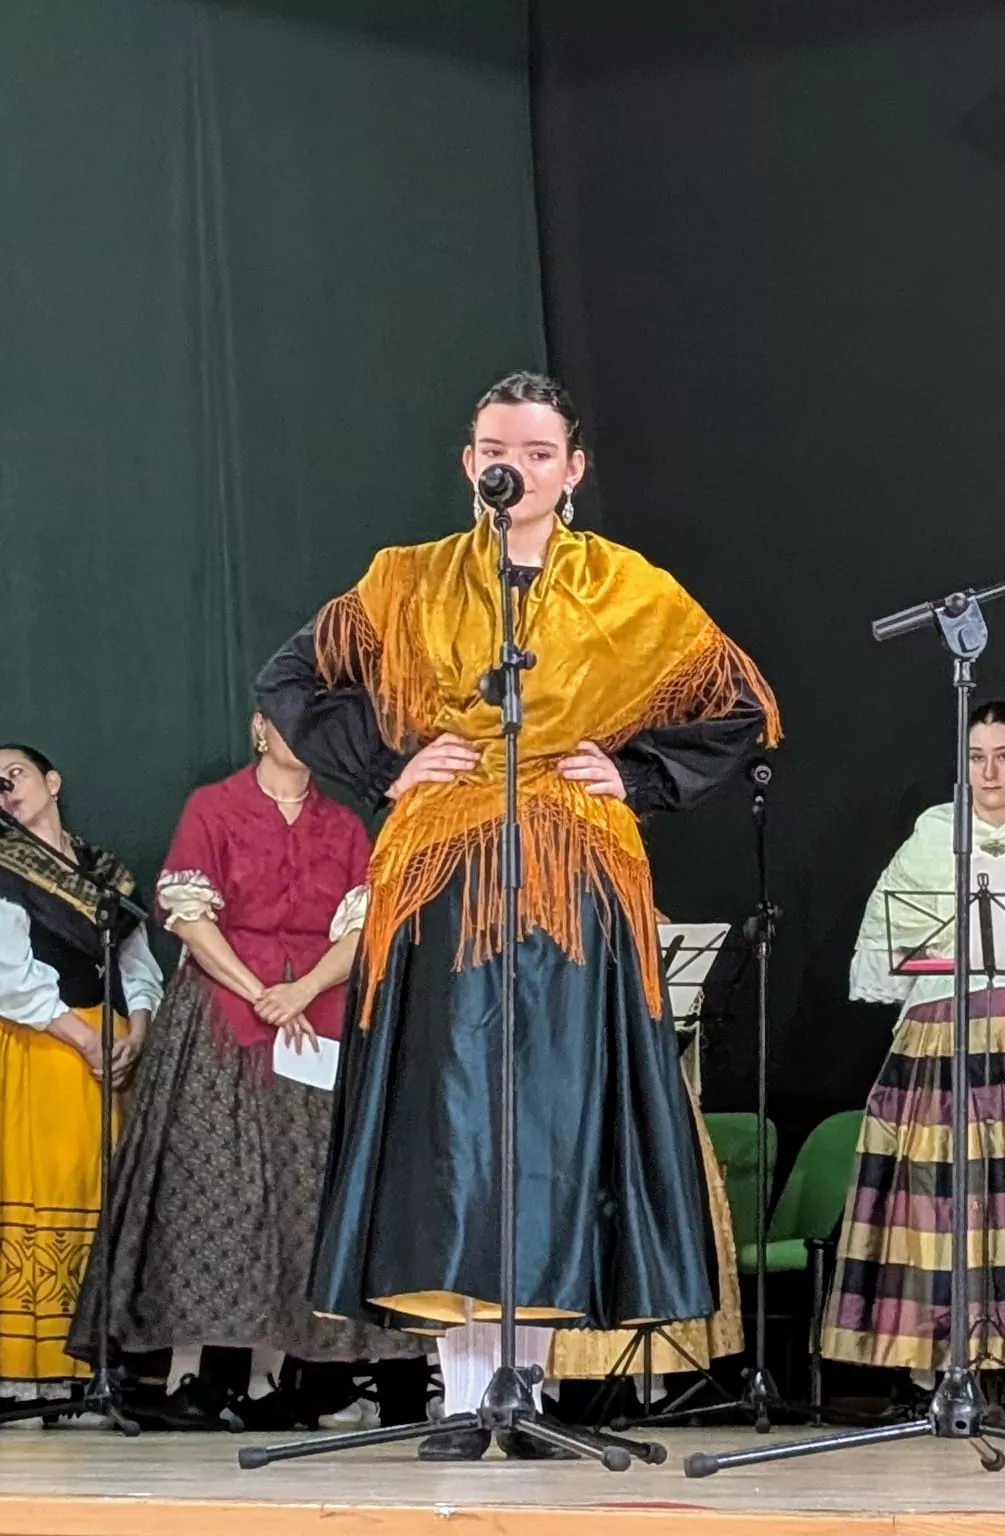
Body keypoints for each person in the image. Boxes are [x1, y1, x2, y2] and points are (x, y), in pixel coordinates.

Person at [255, 371, 780, 1460]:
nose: (519, 467)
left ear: (574, 469)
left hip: (572, 874)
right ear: (469, 461)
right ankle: (459, 1394)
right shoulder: (406, 582)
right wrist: (391, 763)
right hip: (445, 868)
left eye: (541, 452)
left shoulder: (630, 589)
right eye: (501, 448)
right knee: (452, 1125)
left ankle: (528, 1393)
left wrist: (633, 772)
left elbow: (738, 708)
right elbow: (291, 679)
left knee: (548, 1122)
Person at [68, 715, 429, 1431]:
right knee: (210, 1188)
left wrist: (301, 989)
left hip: (317, 1015)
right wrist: (257, 988)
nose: (301, 735)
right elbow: (191, 917)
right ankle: (191, 1373)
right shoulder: (215, 805)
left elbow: (362, 929)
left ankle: (272, 1378)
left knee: (302, 1193)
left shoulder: (346, 825)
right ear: (260, 728)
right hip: (221, 1016)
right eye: (288, 721)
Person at [821, 702, 1005, 1425]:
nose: (989, 772)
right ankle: (934, 1367)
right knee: (939, 1203)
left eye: (1004, 755)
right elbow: (890, 935)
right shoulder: (934, 834)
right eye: (976, 757)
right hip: (943, 1034)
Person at [0, 745, 163, 1403]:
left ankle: (99, 1362)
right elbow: (9, 973)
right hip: (45, 1044)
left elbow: (138, 962)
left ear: (52, 780)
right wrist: (82, 1037)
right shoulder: (5, 868)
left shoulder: (106, 872)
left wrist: (139, 1030)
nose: (4, 789)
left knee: (105, 1192)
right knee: (49, 1185)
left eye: (13, 773)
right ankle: (31, 1368)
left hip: (112, 1049)